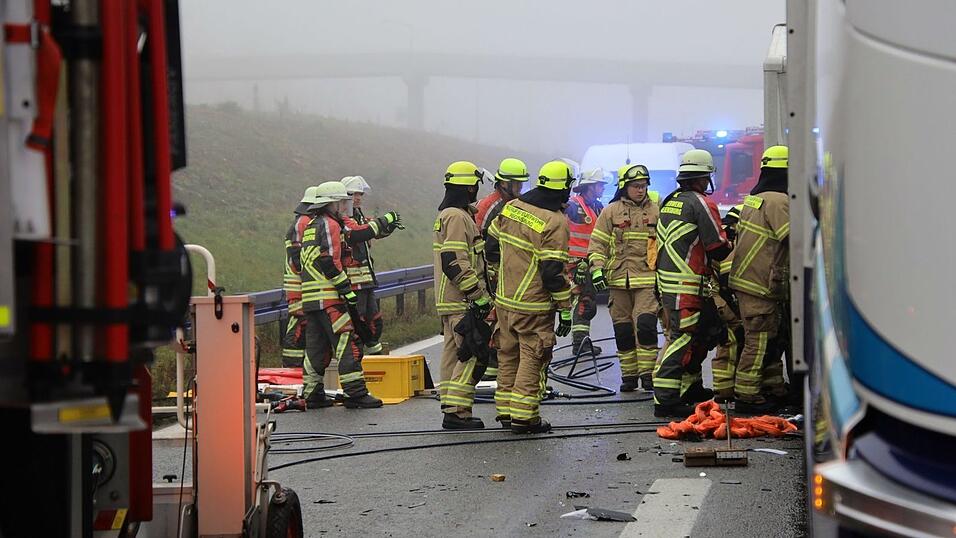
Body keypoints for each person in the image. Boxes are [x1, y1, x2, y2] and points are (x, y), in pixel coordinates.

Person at [486, 160, 573, 434]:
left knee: (508, 355)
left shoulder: (512, 207)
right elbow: (552, 272)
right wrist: (565, 307)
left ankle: (505, 411)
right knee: (532, 357)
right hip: (533, 305)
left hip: (504, 300)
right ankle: (524, 417)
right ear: (564, 189)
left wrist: (505, 276)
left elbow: (491, 246)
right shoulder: (555, 221)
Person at [653, 149, 732, 417]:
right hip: (686, 285)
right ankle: (665, 399)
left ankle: (690, 387)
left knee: (701, 333)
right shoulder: (701, 203)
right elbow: (717, 247)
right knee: (682, 337)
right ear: (702, 177)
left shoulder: (670, 201)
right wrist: (732, 238)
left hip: (667, 283)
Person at [300, 181, 383, 409]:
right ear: (333, 204)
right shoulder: (329, 224)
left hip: (311, 299)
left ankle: (312, 393)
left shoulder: (311, 225)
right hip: (329, 298)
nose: (344, 207)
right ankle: (356, 393)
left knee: (316, 347)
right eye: (341, 203)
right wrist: (345, 289)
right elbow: (329, 259)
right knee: (347, 341)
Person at [729, 145, 791, 414]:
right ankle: (747, 396)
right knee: (759, 341)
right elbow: (793, 239)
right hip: (761, 283)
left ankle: (773, 388)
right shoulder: (779, 201)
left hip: (749, 280)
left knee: (771, 338)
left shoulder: (754, 199)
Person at [587, 164, 660, 392]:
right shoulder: (610, 212)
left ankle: (648, 374)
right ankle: (629, 375)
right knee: (623, 329)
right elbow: (597, 243)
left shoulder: (657, 210)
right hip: (618, 279)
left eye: (643, 186)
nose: (640, 190)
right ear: (624, 187)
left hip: (647, 278)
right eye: (636, 186)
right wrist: (597, 269)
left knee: (646, 325)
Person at [433, 161, 494, 429]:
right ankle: (458, 411)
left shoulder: (450, 215)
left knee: (453, 355)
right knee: (472, 352)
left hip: (451, 299)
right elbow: (454, 260)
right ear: (469, 187)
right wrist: (476, 294)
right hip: (462, 299)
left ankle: (451, 408)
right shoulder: (457, 217)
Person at [474, 158, 530, 380]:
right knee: (493, 317)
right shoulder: (492, 206)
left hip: (504, 270)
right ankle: (490, 367)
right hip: (490, 270)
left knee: (503, 318)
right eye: (517, 183)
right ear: (505, 183)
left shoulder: (511, 205)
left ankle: (497, 366)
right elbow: (479, 240)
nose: (520, 188)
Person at [340, 175, 403, 355]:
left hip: (366, 281)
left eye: (360, 194)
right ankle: (355, 359)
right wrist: (383, 221)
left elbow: (373, 230)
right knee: (357, 324)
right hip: (352, 283)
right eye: (353, 194)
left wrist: (389, 226)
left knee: (374, 322)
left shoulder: (358, 217)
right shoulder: (342, 218)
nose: (357, 198)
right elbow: (360, 232)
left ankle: (375, 357)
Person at [565, 168, 607, 356]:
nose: (603, 188)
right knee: (583, 300)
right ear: (590, 186)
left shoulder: (597, 207)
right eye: (600, 184)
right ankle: (579, 343)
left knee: (587, 299)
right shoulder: (573, 206)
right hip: (575, 263)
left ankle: (581, 341)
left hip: (590, 262)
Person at [711, 204, 745, 403]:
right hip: (719, 298)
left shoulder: (725, 239)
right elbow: (726, 281)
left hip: (718, 296)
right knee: (728, 340)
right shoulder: (729, 245)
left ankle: (725, 390)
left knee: (730, 341)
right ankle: (723, 391)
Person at [281, 186, 318, 368]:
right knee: (298, 327)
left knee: (305, 327)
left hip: (304, 287)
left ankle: (298, 368)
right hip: (300, 288)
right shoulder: (304, 223)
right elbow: (298, 259)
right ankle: (291, 368)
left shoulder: (306, 221)